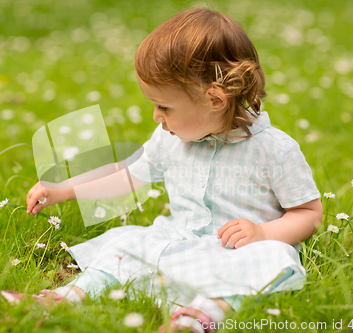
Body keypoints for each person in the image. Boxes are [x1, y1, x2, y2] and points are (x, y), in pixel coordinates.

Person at [20, 7, 323, 333]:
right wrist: (66, 189)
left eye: (164, 106)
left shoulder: (274, 150)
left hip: (237, 253)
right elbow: (126, 175)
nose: (155, 116)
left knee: (275, 258)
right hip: (177, 241)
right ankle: (67, 296)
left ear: (215, 100)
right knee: (127, 243)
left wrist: (264, 234)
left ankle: (204, 314)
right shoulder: (168, 140)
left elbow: (308, 212)